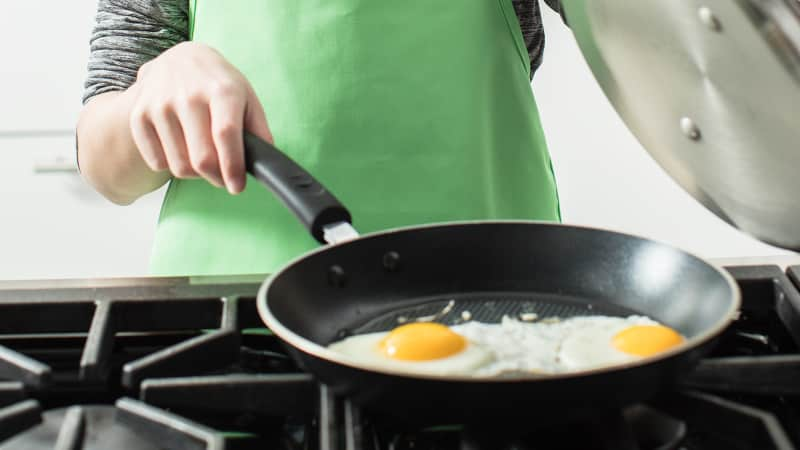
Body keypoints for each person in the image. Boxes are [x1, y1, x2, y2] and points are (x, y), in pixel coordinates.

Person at [77, 0, 563, 276]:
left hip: (496, 308)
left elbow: (638, 34)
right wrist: (154, 87)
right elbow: (106, 170)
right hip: (234, 322)